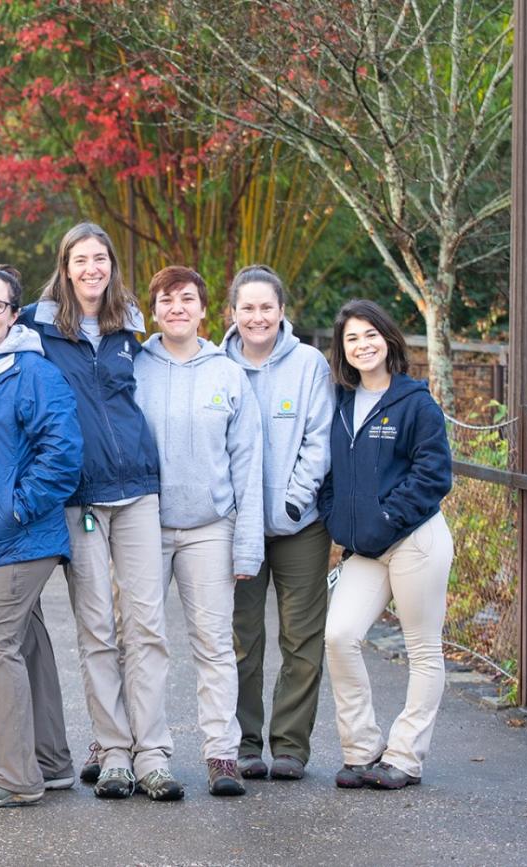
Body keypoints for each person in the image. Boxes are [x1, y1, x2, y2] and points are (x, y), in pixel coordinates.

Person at [20, 222, 179, 801]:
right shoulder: (37, 327)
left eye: (101, 259)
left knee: (147, 626)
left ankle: (153, 752)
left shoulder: (129, 323)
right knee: (96, 629)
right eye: (81, 259)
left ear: (112, 265)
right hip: (78, 498)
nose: (92, 268)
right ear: (64, 267)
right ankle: (113, 751)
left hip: (137, 489)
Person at [0, 266, 83, 809]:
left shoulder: (31, 372)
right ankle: (50, 764)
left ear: (14, 313)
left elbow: (63, 451)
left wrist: (20, 506)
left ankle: (12, 777)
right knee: (25, 642)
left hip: (21, 535)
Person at [135, 266, 265, 797]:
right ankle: (147, 752)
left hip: (211, 527)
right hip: (142, 526)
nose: (177, 308)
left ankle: (221, 754)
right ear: (154, 310)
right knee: (143, 641)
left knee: (214, 645)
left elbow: (247, 463)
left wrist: (246, 543)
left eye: (187, 299)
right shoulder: (135, 366)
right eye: (166, 300)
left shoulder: (227, 373)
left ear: (207, 310)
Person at [320, 299, 454, 791]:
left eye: (370, 334)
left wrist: (387, 516)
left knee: (422, 648)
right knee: (339, 636)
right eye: (352, 338)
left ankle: (405, 756)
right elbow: (329, 473)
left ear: (388, 339)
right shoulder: (338, 402)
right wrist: (338, 516)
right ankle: (361, 749)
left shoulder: (415, 403)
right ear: (343, 349)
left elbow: (434, 474)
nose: (362, 345)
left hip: (415, 540)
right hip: (364, 549)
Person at [221, 264, 334, 781]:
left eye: (267, 307)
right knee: (242, 639)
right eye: (248, 307)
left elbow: (318, 439)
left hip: (300, 526)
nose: (257, 317)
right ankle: (244, 742)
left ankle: (290, 746)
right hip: (235, 526)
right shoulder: (215, 363)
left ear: (282, 312)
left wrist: (292, 501)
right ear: (233, 312)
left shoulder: (309, 364)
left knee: (301, 638)